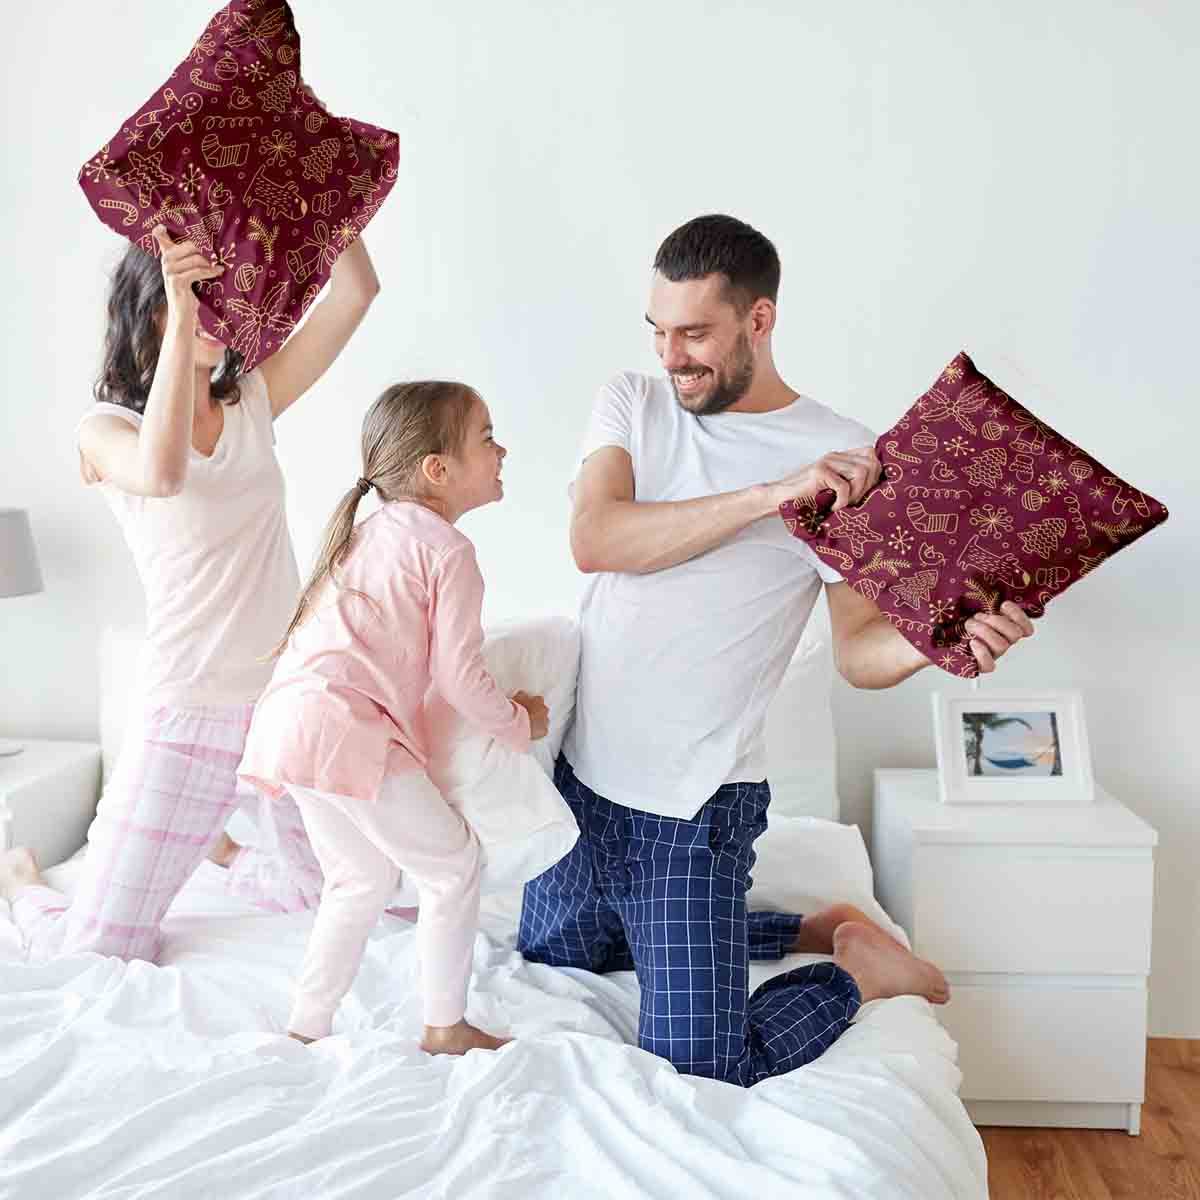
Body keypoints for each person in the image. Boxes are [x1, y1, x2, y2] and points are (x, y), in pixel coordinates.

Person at [519, 214, 1034, 1086]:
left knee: (705, 1063)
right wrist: (772, 497)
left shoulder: (844, 459)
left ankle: (858, 970)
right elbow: (596, 538)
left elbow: (859, 654)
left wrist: (940, 647)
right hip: (587, 777)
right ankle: (805, 925)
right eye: (658, 330)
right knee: (553, 947)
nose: (671, 355)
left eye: (694, 333)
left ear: (758, 321)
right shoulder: (634, 401)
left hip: (693, 810)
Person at [0, 227, 381, 959]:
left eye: (222, 297)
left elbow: (357, 293)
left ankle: (224, 852)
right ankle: (25, 886)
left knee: (334, 892)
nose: (216, 314)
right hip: (189, 710)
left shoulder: (252, 401)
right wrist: (181, 310)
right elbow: (163, 472)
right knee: (99, 952)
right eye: (194, 298)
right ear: (149, 310)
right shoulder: (105, 430)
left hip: (285, 702)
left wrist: (323, 193)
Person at [238, 381, 549, 1056]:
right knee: (453, 867)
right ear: (438, 469)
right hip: (345, 729)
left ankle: (306, 1025)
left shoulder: (368, 534)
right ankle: (444, 1026)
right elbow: (459, 678)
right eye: (487, 438)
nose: (502, 450)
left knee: (360, 879)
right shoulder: (446, 549)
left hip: (289, 723)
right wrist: (518, 722)